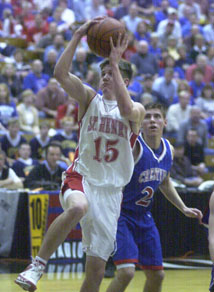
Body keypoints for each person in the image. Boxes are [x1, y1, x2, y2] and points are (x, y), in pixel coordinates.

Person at [15, 16, 145, 292]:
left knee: (96, 271)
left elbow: (125, 110)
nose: (107, 77)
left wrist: (115, 62)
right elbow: (60, 74)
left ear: (126, 79)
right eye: (105, 74)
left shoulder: (137, 110)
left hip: (111, 192)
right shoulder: (89, 98)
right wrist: (76, 37)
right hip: (82, 176)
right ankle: (37, 265)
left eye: (113, 73)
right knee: (77, 207)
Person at [106, 103, 203, 292]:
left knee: (157, 275)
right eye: (147, 117)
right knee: (126, 272)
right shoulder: (133, 147)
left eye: (157, 116)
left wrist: (183, 207)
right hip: (121, 216)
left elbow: (165, 182)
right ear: (140, 124)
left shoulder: (169, 149)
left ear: (165, 122)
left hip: (144, 217)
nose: (152, 120)